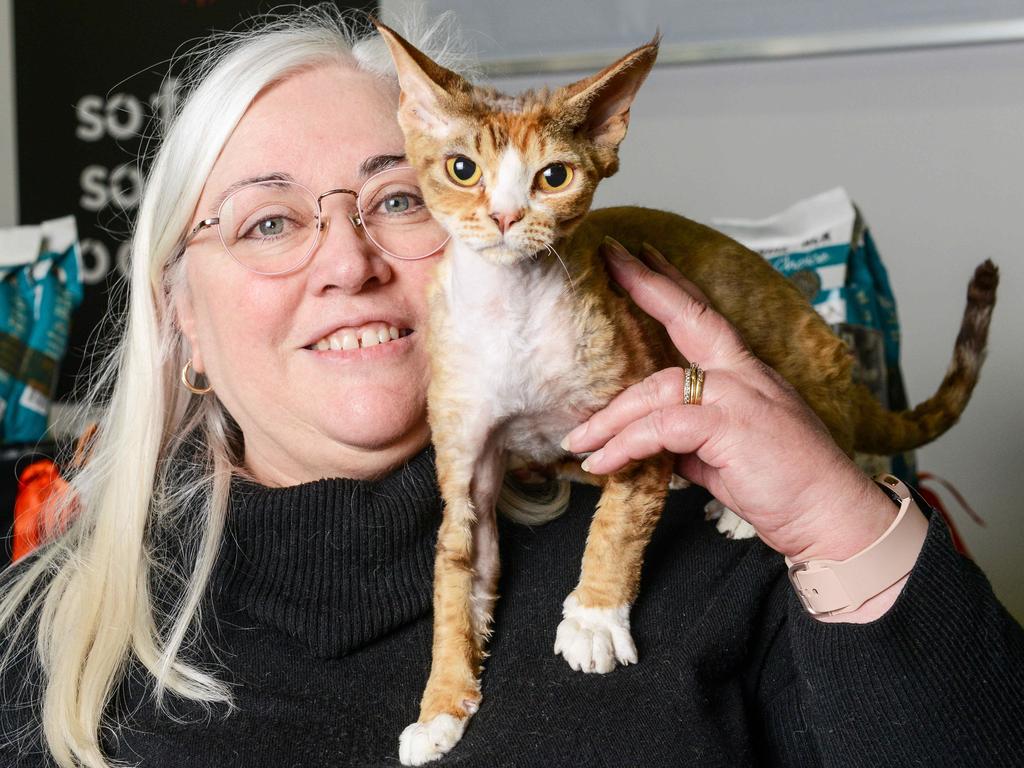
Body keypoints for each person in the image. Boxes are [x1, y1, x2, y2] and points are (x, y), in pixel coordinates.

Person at [1, 6, 1022, 768]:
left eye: (397, 198)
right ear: (179, 309)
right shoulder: (38, 638)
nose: (348, 264)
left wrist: (836, 525)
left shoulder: (717, 570)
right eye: (269, 222)